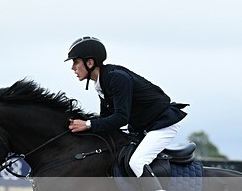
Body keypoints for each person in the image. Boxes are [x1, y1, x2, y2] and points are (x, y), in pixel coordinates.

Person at [65, 36, 189, 182]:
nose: (73, 68)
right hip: (143, 127)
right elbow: (106, 118)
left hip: (163, 124)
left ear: (90, 63)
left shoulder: (116, 78)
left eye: (76, 62)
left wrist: (87, 124)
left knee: (137, 163)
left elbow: (121, 118)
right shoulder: (102, 82)